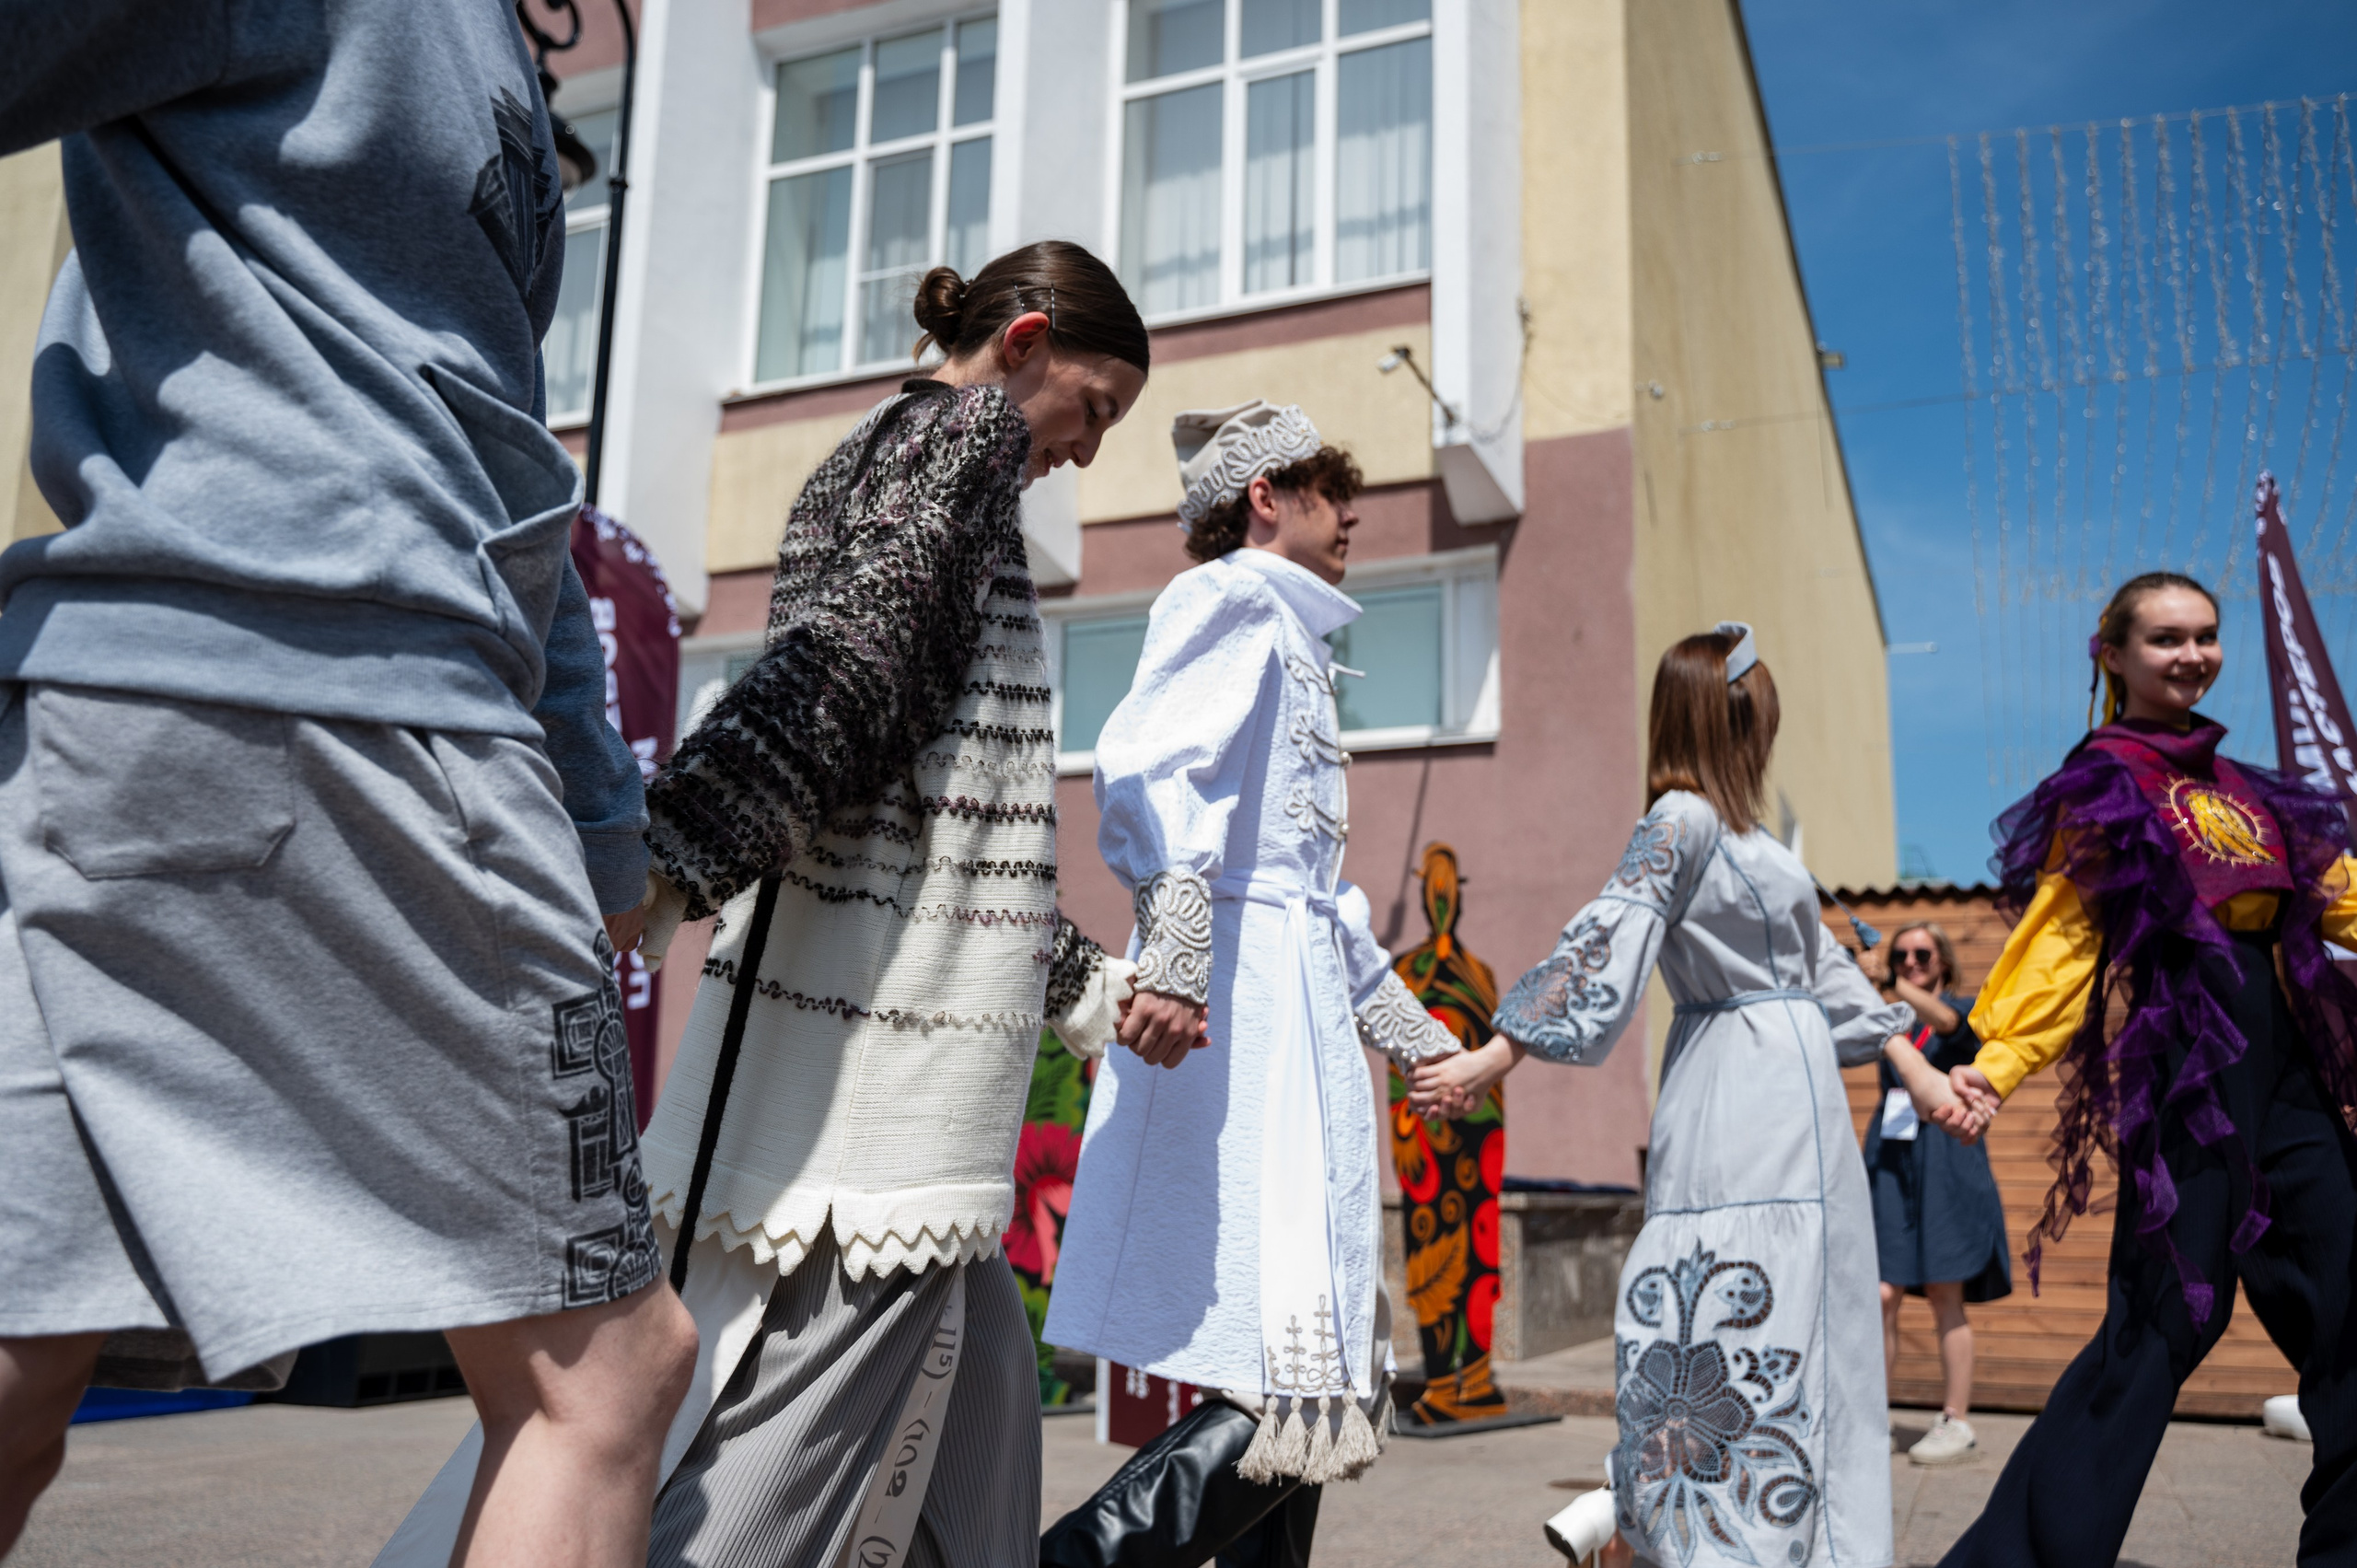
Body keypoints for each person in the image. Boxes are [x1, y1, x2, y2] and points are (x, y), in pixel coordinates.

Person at [0, 9, 697, 1564]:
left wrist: (599, 825)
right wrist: (595, 837)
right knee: (605, 1371)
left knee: (18, 1349)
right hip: (380, 715)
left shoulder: (507, 72)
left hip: (107, 716)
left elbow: (519, 483)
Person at [382, 241, 1154, 1568]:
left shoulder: (878, 450)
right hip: (878, 1078)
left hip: (881, 1036)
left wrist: (1086, 987)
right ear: (1024, 341)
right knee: (765, 1484)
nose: (1088, 451)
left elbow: (926, 817)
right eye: (1096, 407)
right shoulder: (963, 439)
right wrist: (669, 851)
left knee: (979, 1459)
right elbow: (842, 680)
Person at [1411, 623, 1979, 1568]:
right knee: (1730, 1306)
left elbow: (1824, 977)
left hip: (1799, 1105)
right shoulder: (1681, 818)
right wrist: (1490, 1056)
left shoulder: (1749, 834)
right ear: (1738, 711)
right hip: (1738, 1092)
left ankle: (1751, 1531)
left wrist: (1920, 1071)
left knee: (1814, 1314)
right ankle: (1653, 1509)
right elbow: (1608, 930)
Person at [1039, 402, 1463, 1568]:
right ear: (1266, 497)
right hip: (1239, 1002)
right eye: (1331, 490)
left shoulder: (1299, 639)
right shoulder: (1229, 596)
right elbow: (1150, 762)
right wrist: (1176, 951)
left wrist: (1412, 1035)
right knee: (1290, 1363)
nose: (1355, 515)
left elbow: (1322, 897)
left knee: (1313, 1363)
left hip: (1296, 1002)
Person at [1929, 572, 2357, 1566]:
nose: (2193, 656)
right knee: (2165, 1323)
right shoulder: (2108, 785)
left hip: (2287, 1067)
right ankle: (2014, 1558)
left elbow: (2340, 896)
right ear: (2110, 654)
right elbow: (2064, 937)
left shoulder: (2248, 789)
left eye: (2205, 637)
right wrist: (1995, 1063)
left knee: (2352, 1291)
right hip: (2188, 1068)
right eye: (2166, 638)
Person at [1862, 921, 2009, 1468]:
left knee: (1947, 1293)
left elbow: (1946, 1021)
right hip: (1892, 1156)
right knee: (1880, 1293)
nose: (1911, 961)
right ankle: (1869, 1416)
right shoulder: (1890, 1015)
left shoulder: (1961, 1009)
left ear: (1943, 960)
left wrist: (1889, 983)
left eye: (1922, 953)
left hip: (1947, 1153)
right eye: (1901, 955)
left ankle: (1956, 1420)